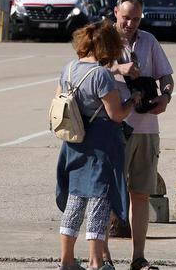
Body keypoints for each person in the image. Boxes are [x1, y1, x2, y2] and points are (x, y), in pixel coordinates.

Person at [55, 21, 141, 270]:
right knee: (98, 201)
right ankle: (95, 262)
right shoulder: (101, 75)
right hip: (100, 145)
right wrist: (133, 101)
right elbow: (116, 114)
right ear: (110, 46)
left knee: (75, 199)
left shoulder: (69, 69)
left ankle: (67, 260)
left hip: (74, 142)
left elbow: (58, 99)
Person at [108, 0, 174, 270]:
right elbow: (85, 68)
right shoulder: (103, 38)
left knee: (141, 194)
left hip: (146, 127)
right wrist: (117, 67)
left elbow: (166, 76)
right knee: (107, 195)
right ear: (115, 12)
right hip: (113, 127)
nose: (130, 24)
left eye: (135, 19)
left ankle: (139, 257)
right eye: (126, 18)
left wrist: (165, 97)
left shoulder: (148, 40)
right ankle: (104, 258)